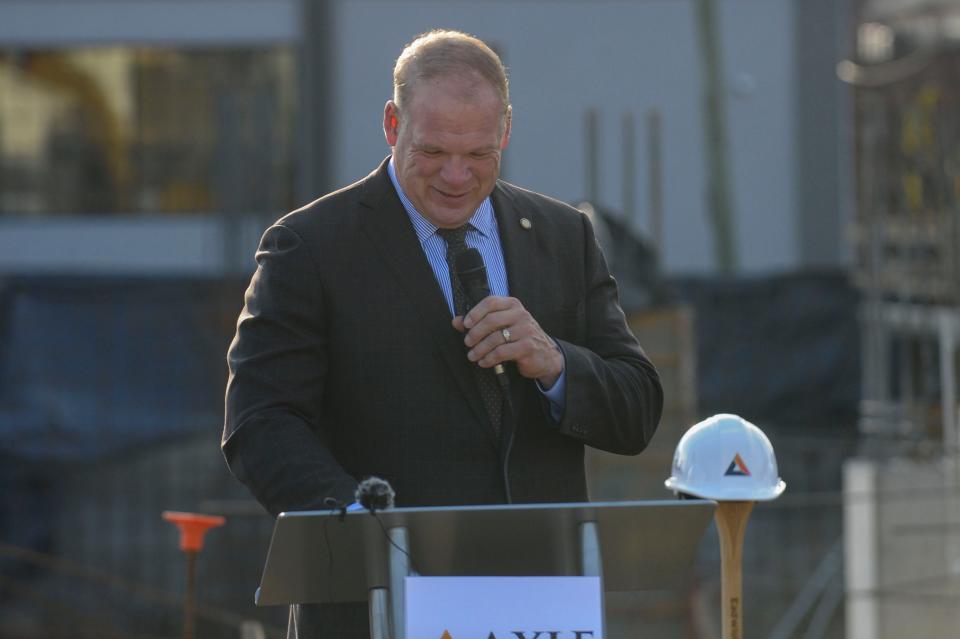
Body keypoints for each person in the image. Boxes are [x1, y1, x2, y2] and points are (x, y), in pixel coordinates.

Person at [222, 29, 663, 638]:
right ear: (391, 123)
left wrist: (555, 362)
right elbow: (259, 424)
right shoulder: (310, 246)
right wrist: (365, 527)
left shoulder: (564, 237)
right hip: (376, 600)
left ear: (505, 131)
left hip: (537, 604)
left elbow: (638, 409)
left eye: (479, 154)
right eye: (432, 152)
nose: (456, 176)